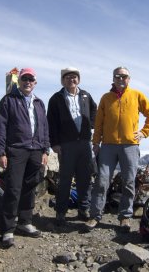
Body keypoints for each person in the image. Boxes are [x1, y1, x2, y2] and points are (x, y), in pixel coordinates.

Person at [86, 66, 149, 232]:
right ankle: (94, 215)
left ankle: (125, 217)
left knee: (129, 181)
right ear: (113, 79)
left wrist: (144, 132)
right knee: (102, 180)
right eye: (117, 76)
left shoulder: (137, 95)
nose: (121, 79)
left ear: (129, 79)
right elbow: (98, 123)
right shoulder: (106, 98)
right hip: (108, 146)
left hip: (130, 146)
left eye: (124, 77)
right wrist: (96, 143)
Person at [0, 67, 50, 248]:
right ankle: (7, 229)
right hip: (16, 150)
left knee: (30, 187)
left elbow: (44, 128)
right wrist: (1, 152)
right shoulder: (9, 100)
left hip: (36, 151)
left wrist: (45, 150)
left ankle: (25, 222)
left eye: (30, 80)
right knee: (13, 188)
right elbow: (0, 127)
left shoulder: (39, 103)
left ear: (35, 83)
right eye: (24, 79)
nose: (27, 82)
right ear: (19, 81)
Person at [47, 67, 97, 226]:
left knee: (85, 178)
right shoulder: (56, 98)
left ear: (79, 80)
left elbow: (95, 111)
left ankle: (84, 209)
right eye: (67, 77)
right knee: (65, 179)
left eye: (74, 77)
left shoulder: (86, 96)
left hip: (84, 143)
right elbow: (51, 122)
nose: (71, 80)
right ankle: (61, 212)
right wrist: (54, 143)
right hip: (66, 145)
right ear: (63, 81)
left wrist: (94, 126)